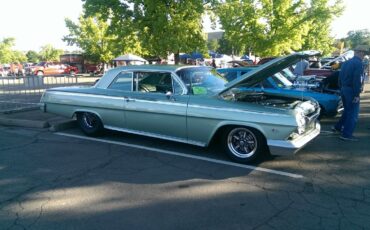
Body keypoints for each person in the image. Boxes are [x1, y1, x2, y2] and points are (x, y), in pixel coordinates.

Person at [332, 45, 368, 141]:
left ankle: (338, 127)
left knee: (347, 110)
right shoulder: (359, 64)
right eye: (363, 53)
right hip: (351, 90)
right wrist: (357, 94)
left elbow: (339, 77)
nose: (364, 56)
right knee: (353, 114)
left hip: (344, 89)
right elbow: (357, 80)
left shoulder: (346, 62)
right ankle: (346, 134)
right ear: (360, 53)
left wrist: (341, 88)